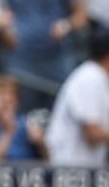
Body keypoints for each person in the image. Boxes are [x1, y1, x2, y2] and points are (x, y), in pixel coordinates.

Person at [45, 26, 109, 167]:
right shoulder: (90, 77)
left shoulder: (99, 77)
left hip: (84, 170)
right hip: (68, 169)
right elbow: (92, 132)